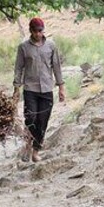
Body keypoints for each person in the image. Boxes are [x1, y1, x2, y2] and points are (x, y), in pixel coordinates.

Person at [12, 17, 65, 162]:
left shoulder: (51, 46)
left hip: (47, 89)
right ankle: (28, 144)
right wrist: (16, 88)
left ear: (43, 30)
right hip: (30, 89)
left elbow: (57, 67)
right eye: (35, 31)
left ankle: (36, 151)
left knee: (43, 121)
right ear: (30, 31)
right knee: (31, 118)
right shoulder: (23, 47)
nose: (38, 34)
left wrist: (61, 87)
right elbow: (18, 68)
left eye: (40, 31)